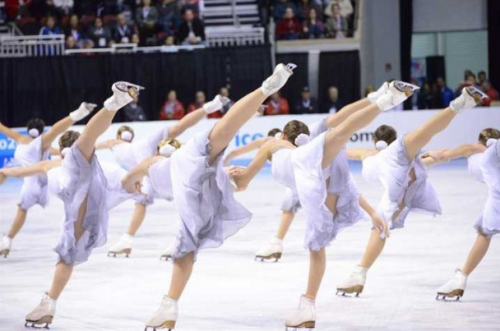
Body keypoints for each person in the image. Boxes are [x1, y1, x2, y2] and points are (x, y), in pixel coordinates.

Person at [230, 80, 416, 328]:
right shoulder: (302, 144)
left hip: (308, 173)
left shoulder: (273, 144)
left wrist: (228, 174)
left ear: (284, 135)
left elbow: (243, 184)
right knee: (341, 132)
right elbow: (348, 180)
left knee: (340, 132)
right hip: (319, 178)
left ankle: (308, 305)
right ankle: (383, 100)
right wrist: (372, 213)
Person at [141, 63, 295, 330]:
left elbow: (176, 139)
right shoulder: (164, 157)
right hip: (196, 184)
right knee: (222, 133)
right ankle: (264, 89)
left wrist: (129, 183)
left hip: (195, 188)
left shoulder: (158, 161)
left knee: (185, 249)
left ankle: (169, 306)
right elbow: (183, 134)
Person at [0, 82, 143, 328]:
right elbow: (121, 178)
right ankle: (48, 303)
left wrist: (132, 182)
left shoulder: (67, 159)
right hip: (85, 209)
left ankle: (114, 102)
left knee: (86, 142)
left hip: (83, 202)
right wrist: (133, 182)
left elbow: (27, 169)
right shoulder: (59, 163)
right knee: (66, 258)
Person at [336, 86, 488, 298]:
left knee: (379, 227)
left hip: (397, 188)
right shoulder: (398, 152)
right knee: (425, 132)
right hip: (409, 185)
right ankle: (457, 106)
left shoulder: (369, 153)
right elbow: (438, 154)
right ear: (393, 138)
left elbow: (342, 151)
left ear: (375, 140)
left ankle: (359, 273)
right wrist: (468, 150)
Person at [105, 95, 225, 258]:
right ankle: (128, 240)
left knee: (177, 132)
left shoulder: (138, 146)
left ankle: (210, 107)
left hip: (151, 165)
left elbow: (141, 163)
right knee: (148, 200)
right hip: (152, 169)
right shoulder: (116, 144)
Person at [0, 103, 96, 258]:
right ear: (41, 130)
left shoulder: (20, 138)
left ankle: (8, 238)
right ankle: (76, 237)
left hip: (31, 184)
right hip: (44, 184)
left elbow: (2, 128)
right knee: (71, 204)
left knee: (22, 209)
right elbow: (56, 129)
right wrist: (78, 114)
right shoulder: (42, 143)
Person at [431, 129, 500, 300]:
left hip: (497, 193)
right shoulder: (489, 154)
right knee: (484, 232)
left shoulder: (471, 148)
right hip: (496, 192)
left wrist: (429, 154)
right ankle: (460, 278)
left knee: (484, 233)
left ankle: (460, 279)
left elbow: (443, 155)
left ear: (479, 141)